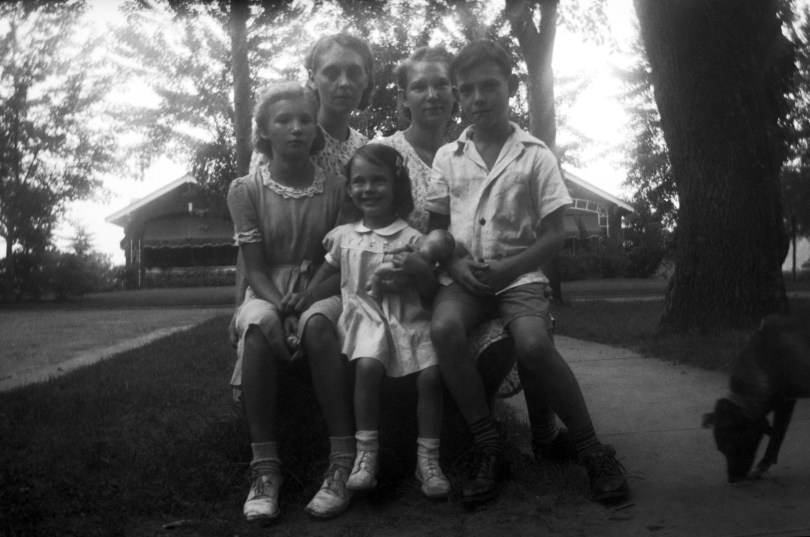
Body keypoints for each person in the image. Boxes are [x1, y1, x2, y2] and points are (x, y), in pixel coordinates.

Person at [426, 40, 630, 507]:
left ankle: (591, 450)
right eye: (467, 90)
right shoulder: (448, 156)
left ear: (512, 86)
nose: (478, 98)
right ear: (458, 95)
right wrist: (454, 264)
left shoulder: (536, 155)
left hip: (518, 277)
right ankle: (489, 446)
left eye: (489, 86)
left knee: (534, 345)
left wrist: (510, 268)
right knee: (444, 329)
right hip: (465, 278)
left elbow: (554, 235)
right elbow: (436, 229)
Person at [377, 46, 572, 457]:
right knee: (464, 327)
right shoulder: (388, 156)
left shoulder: (469, 151)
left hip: (469, 280)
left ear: (451, 93)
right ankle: (474, 437)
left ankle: (529, 431)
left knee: (522, 331)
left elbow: (529, 229)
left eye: (440, 85)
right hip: (408, 289)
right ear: (403, 97)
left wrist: (513, 270)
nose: (432, 95)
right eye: (419, 86)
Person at [227, 81, 356, 522]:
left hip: (323, 285)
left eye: (305, 120)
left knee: (318, 325)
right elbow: (254, 267)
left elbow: (337, 261)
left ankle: (342, 459)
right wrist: (280, 305)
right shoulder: (245, 190)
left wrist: (305, 300)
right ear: (265, 131)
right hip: (267, 287)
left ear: (316, 129)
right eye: (283, 120)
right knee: (258, 327)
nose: (296, 128)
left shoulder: (339, 188)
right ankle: (265, 468)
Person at [308, 143, 453, 499]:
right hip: (365, 316)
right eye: (359, 181)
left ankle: (428, 459)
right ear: (349, 188)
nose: (368, 189)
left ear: (397, 185)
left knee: (432, 375)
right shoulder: (344, 236)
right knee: (368, 366)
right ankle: (366, 454)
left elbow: (430, 292)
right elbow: (324, 277)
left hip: (408, 317)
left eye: (378, 181)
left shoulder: (413, 240)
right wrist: (303, 299)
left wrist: (418, 269)